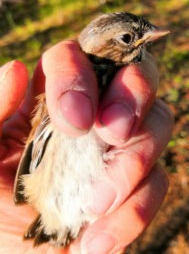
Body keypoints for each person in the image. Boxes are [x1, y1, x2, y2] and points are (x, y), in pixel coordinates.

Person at [0, 41, 173, 253]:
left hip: (67, 217)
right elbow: (35, 151)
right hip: (50, 198)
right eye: (128, 38)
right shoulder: (59, 102)